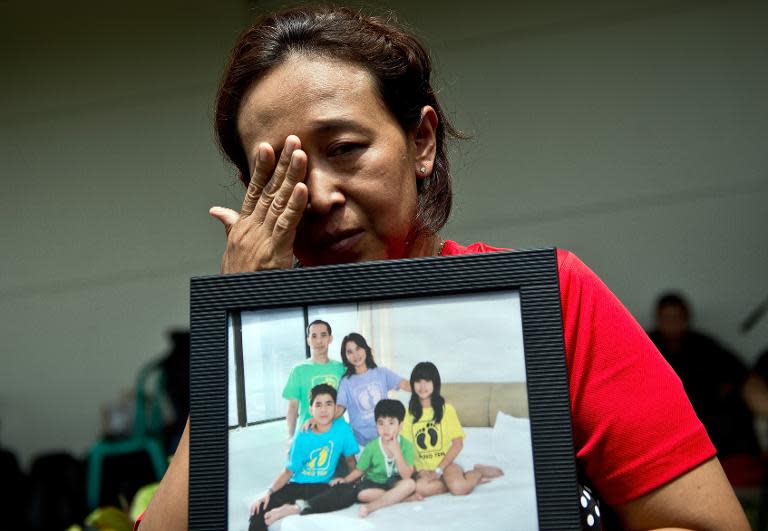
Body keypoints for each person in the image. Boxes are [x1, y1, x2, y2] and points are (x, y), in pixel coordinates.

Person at [137, 6, 750, 530]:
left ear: (422, 141)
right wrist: (238, 323)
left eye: (345, 149)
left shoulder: (555, 300)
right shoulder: (290, 367)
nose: (319, 195)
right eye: (281, 174)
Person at [648, 292, 759, 459]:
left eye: (676, 318)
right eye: (666, 319)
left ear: (686, 319)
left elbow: (738, 369)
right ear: (658, 319)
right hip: (660, 414)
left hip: (704, 415)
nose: (672, 325)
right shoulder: (647, 345)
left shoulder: (703, 345)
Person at [247, 384, 359, 531]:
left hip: (322, 487)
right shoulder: (302, 435)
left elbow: (351, 460)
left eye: (328, 404)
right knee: (259, 508)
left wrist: (352, 481)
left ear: (335, 408)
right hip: (296, 486)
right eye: (318, 405)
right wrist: (268, 492)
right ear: (311, 410)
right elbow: (288, 471)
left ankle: (295, 508)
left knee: (347, 491)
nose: (324, 409)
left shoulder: (343, 429)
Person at [401, 361, 502, 498]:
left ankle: (477, 472)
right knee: (419, 488)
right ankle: (458, 480)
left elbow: (457, 444)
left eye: (427, 381)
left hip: (446, 465)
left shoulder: (446, 410)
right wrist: (416, 472)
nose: (422, 386)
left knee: (459, 489)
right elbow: (406, 448)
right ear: (412, 384)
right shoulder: (408, 414)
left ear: (435, 384)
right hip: (423, 470)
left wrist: (439, 470)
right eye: (418, 381)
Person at [330, 398, 417, 517]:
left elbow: (406, 476)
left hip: (395, 482)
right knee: (362, 494)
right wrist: (345, 480)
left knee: (410, 484)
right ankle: (400, 497)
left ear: (400, 426)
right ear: (376, 425)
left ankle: (371, 507)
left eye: (391, 423)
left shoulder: (406, 445)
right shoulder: (372, 447)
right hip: (375, 483)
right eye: (381, 423)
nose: (386, 429)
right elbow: (359, 470)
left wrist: (397, 452)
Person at [335, 333, 410, 446]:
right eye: (349, 352)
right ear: (345, 356)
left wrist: (427, 387)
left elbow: (404, 384)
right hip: (360, 444)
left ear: (365, 348)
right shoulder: (346, 382)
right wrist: (317, 421)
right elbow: (339, 409)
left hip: (386, 440)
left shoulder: (381, 373)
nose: (355, 355)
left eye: (358, 348)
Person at [283, 320, 346, 445]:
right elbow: (293, 407)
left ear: (330, 338)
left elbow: (344, 404)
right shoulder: (298, 370)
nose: (319, 341)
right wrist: (290, 437)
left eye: (323, 335)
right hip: (307, 435)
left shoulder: (341, 368)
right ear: (308, 340)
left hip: (337, 436)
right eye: (314, 336)